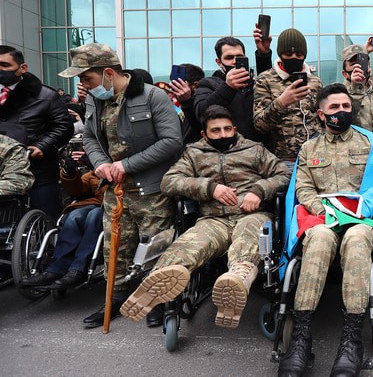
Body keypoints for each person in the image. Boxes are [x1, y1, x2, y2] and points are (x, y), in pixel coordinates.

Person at [120, 105, 290, 328]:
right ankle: (158, 279)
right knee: (190, 244)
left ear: (235, 129)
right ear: (204, 134)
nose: (223, 135)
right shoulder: (194, 153)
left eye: (227, 129)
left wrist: (259, 190)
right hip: (213, 219)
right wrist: (209, 188)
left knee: (249, 235)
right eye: (216, 131)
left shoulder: (255, 150)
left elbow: (284, 174)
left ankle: (237, 279)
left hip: (251, 214)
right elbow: (169, 182)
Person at [58, 43, 184, 328]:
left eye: (86, 77)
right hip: (115, 189)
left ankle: (155, 300)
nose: (83, 85)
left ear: (108, 73)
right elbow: (90, 137)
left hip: (151, 188)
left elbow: (171, 141)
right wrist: (100, 163)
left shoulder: (153, 96)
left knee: (153, 247)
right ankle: (114, 298)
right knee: (115, 248)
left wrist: (127, 165)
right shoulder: (95, 99)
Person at [278, 84, 373, 377]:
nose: (341, 111)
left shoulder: (371, 143)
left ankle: (351, 341)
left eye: (346, 106)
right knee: (318, 239)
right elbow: (303, 188)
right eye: (334, 107)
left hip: (362, 219)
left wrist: (358, 209)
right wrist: (324, 210)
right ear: (321, 114)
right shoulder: (309, 149)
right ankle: (301, 339)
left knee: (356, 239)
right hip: (323, 219)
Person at [0, 45, 74, 218]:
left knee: (43, 218)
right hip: (2, 176)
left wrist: (43, 146)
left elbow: (64, 126)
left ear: (22, 68)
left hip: (37, 172)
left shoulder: (45, 95)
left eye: (5, 65)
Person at [18, 150, 106, 290]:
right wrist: (69, 172)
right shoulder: (91, 174)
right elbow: (77, 192)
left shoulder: (115, 164)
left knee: (94, 215)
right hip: (94, 204)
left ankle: (78, 269)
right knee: (74, 216)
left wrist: (100, 168)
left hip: (113, 205)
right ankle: (56, 269)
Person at [253, 28, 324, 167]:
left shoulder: (315, 81)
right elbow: (260, 125)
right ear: (280, 54)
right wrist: (281, 103)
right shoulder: (265, 80)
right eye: (288, 54)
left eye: (299, 54)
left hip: (316, 156)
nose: (294, 58)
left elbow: (323, 118)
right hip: (285, 160)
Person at [194, 31, 273, 141]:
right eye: (229, 57)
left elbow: (268, 82)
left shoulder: (254, 84)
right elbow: (201, 112)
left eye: (239, 57)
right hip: (227, 147)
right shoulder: (208, 84)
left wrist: (263, 54)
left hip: (259, 147)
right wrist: (228, 87)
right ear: (219, 62)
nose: (235, 61)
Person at [340, 37, 373, 130]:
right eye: (353, 64)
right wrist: (356, 86)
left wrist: (364, 51)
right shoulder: (340, 94)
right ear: (345, 74)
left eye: (363, 63)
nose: (358, 67)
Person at [167, 63, 205, 143]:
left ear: (195, 85)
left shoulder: (202, 105)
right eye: (173, 86)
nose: (174, 90)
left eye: (179, 86)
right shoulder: (174, 106)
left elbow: (199, 128)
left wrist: (187, 103)